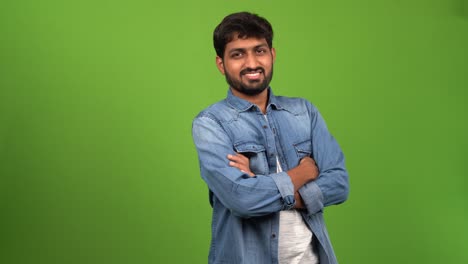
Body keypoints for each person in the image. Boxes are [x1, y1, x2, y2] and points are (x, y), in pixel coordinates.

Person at [192, 11, 349, 264]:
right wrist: (303, 174)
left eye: (259, 51)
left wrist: (258, 181)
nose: (252, 63)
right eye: (238, 54)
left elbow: (339, 183)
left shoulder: (304, 112)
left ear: (272, 55)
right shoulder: (211, 124)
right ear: (221, 63)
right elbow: (241, 199)